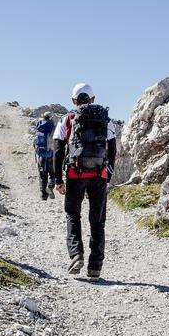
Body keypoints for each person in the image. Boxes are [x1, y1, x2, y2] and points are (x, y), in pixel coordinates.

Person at [53, 83, 117, 280]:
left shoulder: (67, 119)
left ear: (73, 101)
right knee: (98, 221)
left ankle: (76, 254)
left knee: (73, 214)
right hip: (99, 175)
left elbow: (57, 150)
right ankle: (95, 268)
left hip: (75, 174)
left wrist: (57, 179)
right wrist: (108, 176)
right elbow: (112, 149)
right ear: (93, 99)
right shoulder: (106, 120)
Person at [33, 112, 57, 200]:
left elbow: (35, 141)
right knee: (52, 173)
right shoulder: (53, 127)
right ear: (50, 118)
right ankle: (50, 187)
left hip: (41, 154)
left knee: (42, 175)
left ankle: (43, 196)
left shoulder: (39, 127)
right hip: (51, 154)